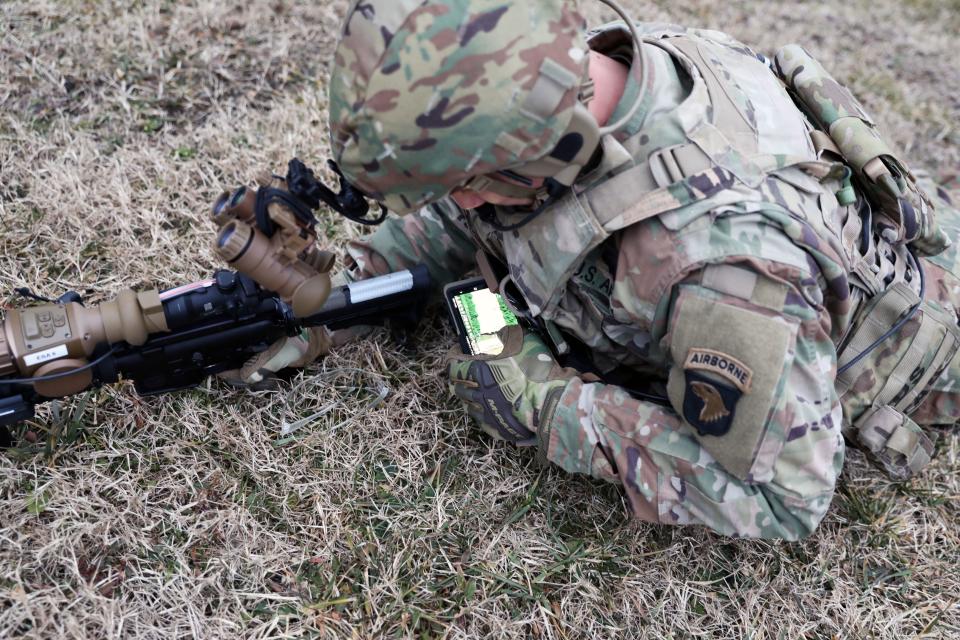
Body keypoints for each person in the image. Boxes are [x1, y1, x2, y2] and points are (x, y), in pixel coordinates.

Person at [233, 0, 960, 540]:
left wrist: (552, 405)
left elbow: (783, 497)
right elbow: (468, 213)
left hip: (898, 353)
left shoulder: (717, 263)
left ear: (540, 146)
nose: (459, 204)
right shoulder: (578, 70)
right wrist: (343, 291)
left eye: (465, 182)